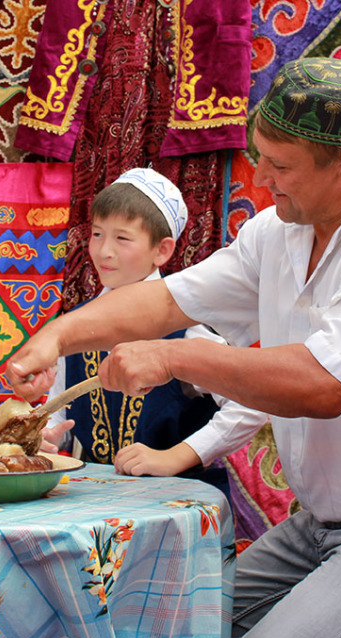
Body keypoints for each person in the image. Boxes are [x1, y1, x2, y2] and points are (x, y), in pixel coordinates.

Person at [6, 58, 341, 638]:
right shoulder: (280, 231)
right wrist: (56, 338)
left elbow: (324, 386)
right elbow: (172, 298)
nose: (262, 180)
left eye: (279, 167)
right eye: (260, 158)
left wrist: (178, 361)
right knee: (170, 628)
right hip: (326, 524)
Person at [41, 167, 268, 490]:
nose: (104, 250)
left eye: (122, 238)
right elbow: (58, 410)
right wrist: (46, 437)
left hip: (176, 505)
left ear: (161, 250)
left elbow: (250, 404)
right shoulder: (75, 327)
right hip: (91, 504)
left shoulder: (188, 329)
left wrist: (175, 457)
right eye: (97, 234)